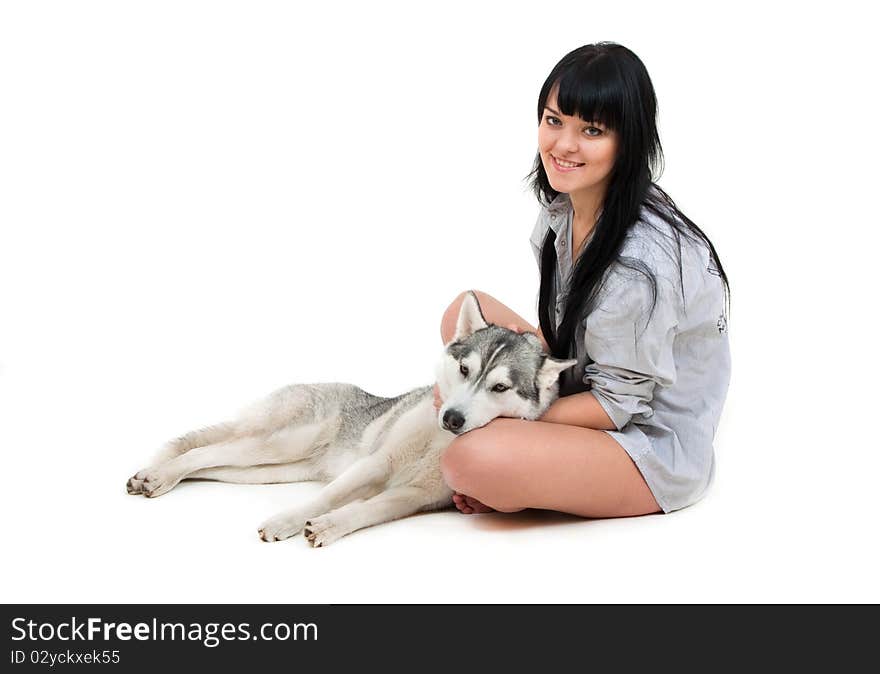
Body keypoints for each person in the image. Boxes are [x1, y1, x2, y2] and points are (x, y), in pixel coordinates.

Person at [434, 42, 731, 518]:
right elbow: (559, 332)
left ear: (627, 141)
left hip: (646, 441)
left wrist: (495, 408)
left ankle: (509, 452)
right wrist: (489, 398)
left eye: (591, 130)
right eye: (554, 121)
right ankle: (510, 441)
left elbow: (619, 407)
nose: (564, 145)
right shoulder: (563, 208)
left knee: (470, 460)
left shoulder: (640, 268)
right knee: (462, 310)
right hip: (584, 378)